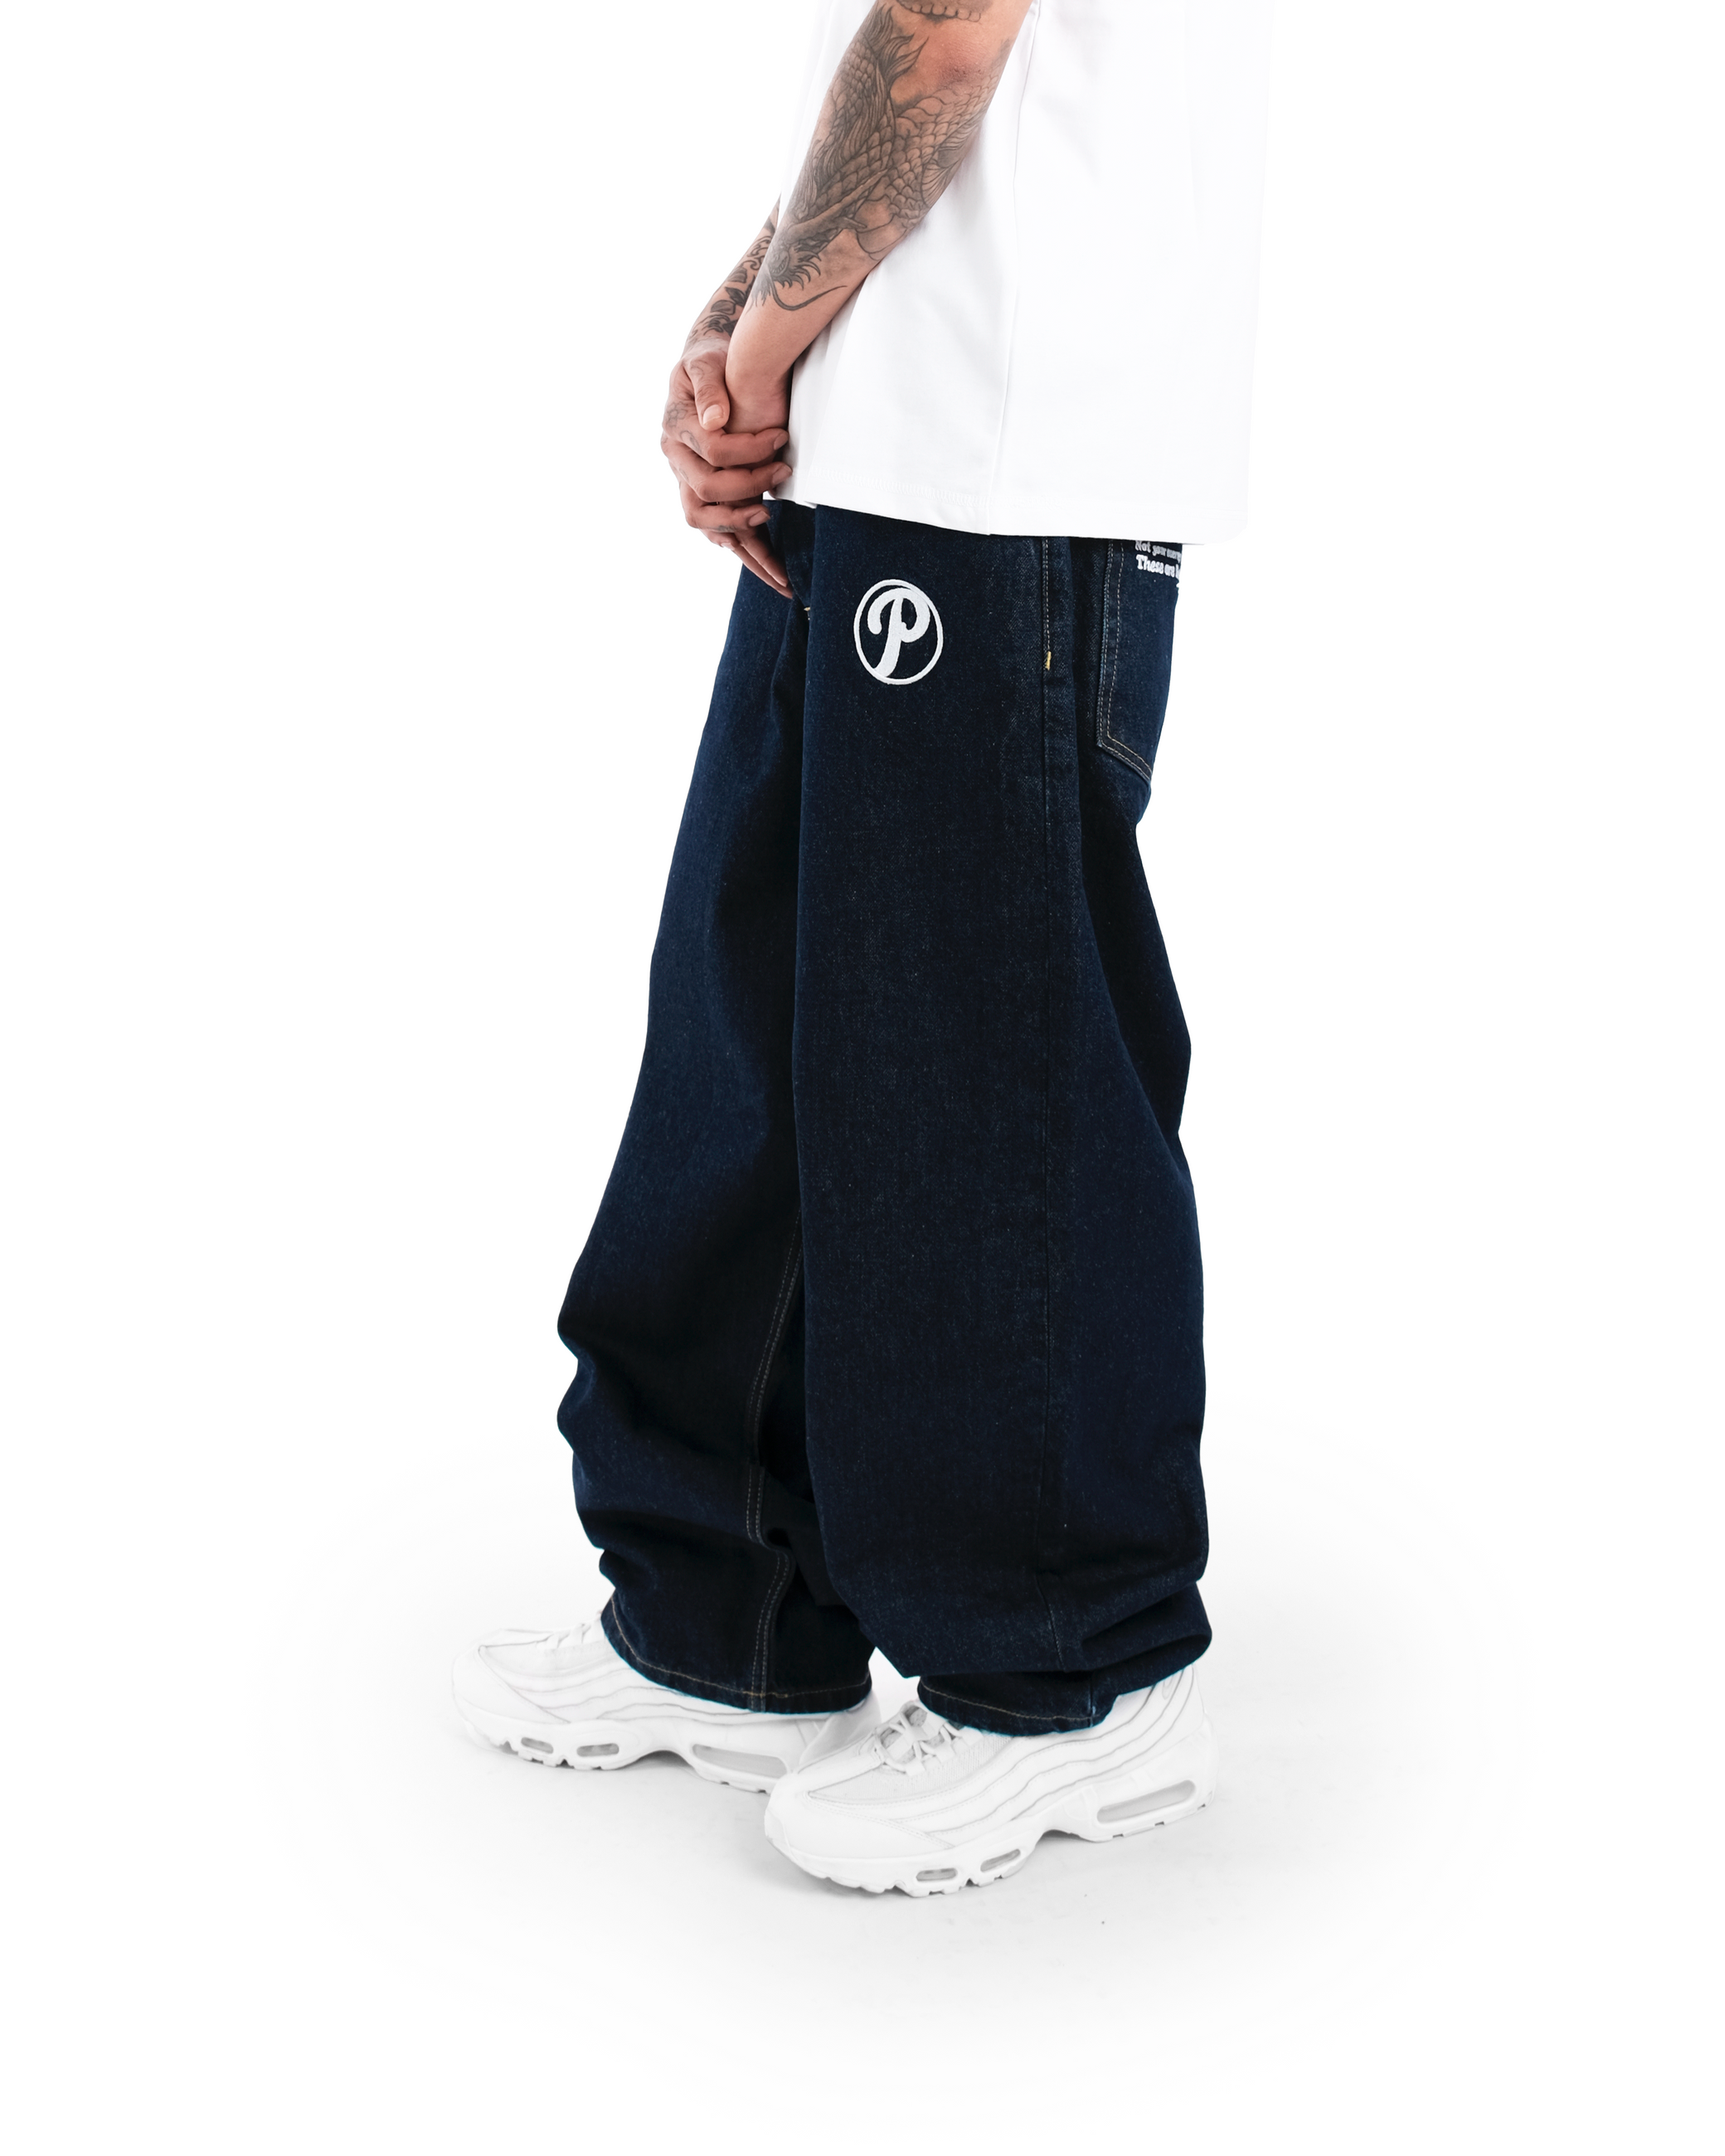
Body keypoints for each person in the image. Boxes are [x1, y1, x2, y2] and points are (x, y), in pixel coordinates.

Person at [454, 0, 1273, 1896]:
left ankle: (1074, 1667)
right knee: (753, 1032)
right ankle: (726, 1616)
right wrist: (748, 324)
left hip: (1013, 452)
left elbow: (947, 30)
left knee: (980, 1073)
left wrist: (757, 355)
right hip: (883, 441)